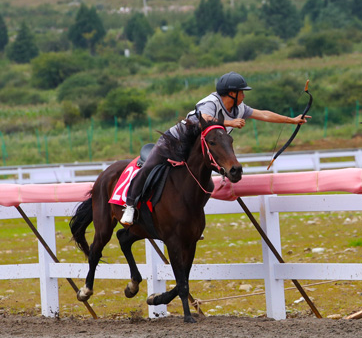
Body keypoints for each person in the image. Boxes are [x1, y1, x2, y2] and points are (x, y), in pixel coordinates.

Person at [121, 71, 310, 225]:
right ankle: (130, 206)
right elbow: (205, 119)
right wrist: (231, 123)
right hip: (174, 142)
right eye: (241, 92)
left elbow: (264, 114)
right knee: (148, 167)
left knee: (207, 184)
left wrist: (292, 120)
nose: (244, 95)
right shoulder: (210, 103)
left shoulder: (239, 107)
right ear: (231, 94)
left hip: (194, 150)